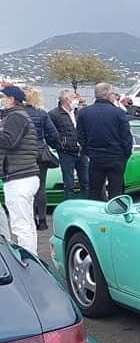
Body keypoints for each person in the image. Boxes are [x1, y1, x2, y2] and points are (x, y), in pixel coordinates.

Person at [0, 85, 40, 254]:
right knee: (27, 223)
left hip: (19, 176)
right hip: (25, 175)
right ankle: (32, 256)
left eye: (3, 97)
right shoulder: (17, 115)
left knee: (20, 225)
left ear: (11, 99)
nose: (1, 100)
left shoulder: (16, 117)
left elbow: (9, 141)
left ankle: (27, 260)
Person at [77, 83, 132, 201]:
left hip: (95, 156)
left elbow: (81, 137)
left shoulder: (84, 113)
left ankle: (94, 216)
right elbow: (126, 137)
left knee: (94, 192)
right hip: (116, 156)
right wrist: (125, 154)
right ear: (108, 95)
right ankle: (115, 215)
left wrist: (89, 152)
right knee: (116, 191)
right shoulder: (118, 113)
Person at [23, 88, 60, 231]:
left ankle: (31, 218)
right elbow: (53, 135)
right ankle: (43, 220)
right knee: (41, 186)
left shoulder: (17, 114)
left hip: (24, 154)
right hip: (40, 152)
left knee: (27, 187)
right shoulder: (42, 114)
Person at [49, 89, 87, 200]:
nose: (77, 100)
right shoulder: (54, 114)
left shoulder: (78, 112)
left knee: (86, 181)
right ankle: (69, 207)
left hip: (81, 151)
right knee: (68, 184)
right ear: (66, 99)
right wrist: (60, 146)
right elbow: (50, 134)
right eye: (74, 97)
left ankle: (87, 206)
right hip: (66, 153)